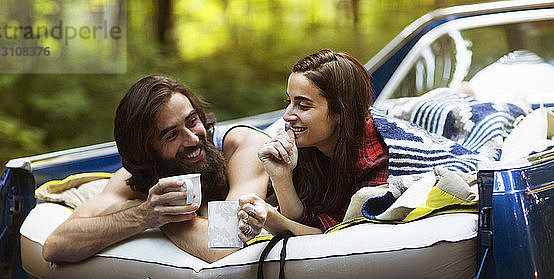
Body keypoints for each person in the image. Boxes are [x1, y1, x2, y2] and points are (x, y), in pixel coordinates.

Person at [43, 75, 269, 263]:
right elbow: (55, 246)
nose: (192, 139)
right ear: (147, 151)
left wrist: (165, 218)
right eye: (171, 135)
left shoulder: (244, 147)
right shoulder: (139, 175)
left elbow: (225, 246)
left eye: (192, 122)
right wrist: (144, 215)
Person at [236, 50, 389, 239]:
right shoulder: (307, 146)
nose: (287, 116)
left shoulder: (378, 160)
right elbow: (305, 222)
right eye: (289, 101)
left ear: (340, 113)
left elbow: (341, 238)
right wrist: (281, 178)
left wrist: (273, 218)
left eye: (303, 106)